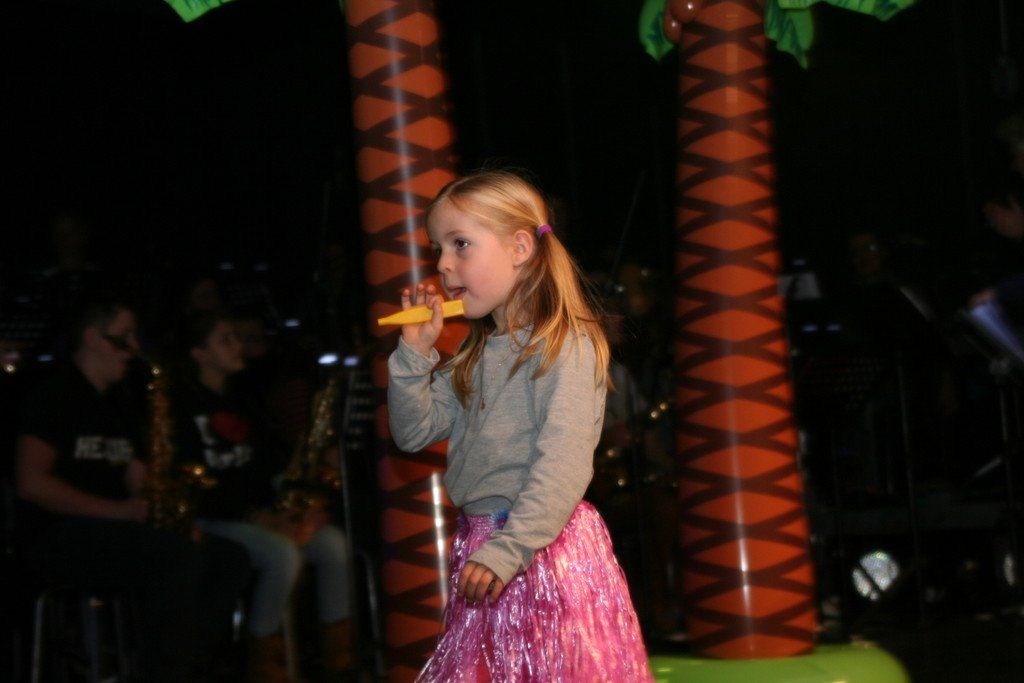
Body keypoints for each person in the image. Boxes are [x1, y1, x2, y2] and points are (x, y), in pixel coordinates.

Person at [387, 170, 652, 681]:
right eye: (437, 248)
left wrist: (510, 549)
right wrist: (413, 355)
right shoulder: (476, 353)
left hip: (539, 552)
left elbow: (563, 463)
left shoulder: (564, 344)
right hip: (485, 548)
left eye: (460, 244)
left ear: (520, 247)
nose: (442, 264)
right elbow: (413, 432)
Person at [14, 297, 249, 682]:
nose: (134, 348)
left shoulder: (118, 404)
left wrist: (173, 516)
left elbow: (138, 478)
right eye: (124, 337)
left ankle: (191, 667)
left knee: (228, 558)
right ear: (93, 338)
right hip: (56, 534)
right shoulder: (52, 396)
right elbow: (31, 483)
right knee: (175, 557)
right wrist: (120, 511)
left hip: (114, 529)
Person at [173, 311, 353, 683]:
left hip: (262, 514)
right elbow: (198, 488)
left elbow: (271, 466)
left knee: (334, 545)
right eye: (225, 340)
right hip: (216, 519)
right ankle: (263, 661)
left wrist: (303, 508)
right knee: (282, 554)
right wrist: (261, 518)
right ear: (199, 353)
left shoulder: (244, 400)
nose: (237, 346)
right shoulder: (181, 407)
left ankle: (339, 659)